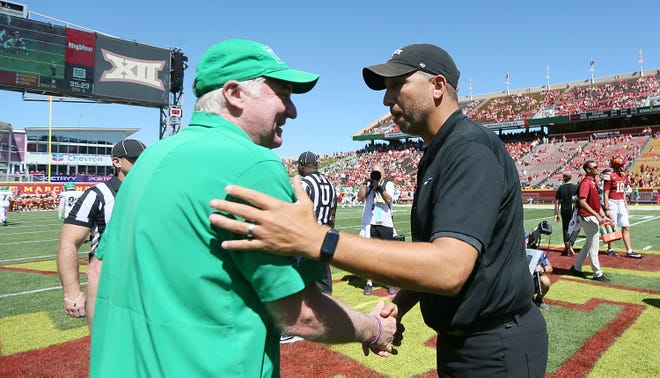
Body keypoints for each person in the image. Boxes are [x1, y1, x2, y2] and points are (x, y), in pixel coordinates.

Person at [208, 43, 548, 377]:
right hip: (466, 341)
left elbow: (449, 268)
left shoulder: (468, 149)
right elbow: (431, 257)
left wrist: (319, 240)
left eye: (398, 85)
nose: (387, 100)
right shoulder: (440, 151)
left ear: (438, 86)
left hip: (496, 345)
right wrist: (399, 305)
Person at [89, 39, 395, 377]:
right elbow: (298, 312)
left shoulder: (149, 160)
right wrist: (374, 329)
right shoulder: (254, 165)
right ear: (235, 94)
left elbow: (97, 272)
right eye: (283, 93)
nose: (292, 110)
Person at [56, 138, 146, 328]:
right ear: (117, 162)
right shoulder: (97, 194)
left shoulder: (152, 192)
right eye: (135, 159)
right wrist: (72, 292)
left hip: (147, 283)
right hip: (109, 283)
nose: (142, 163)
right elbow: (68, 243)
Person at [297, 150, 338, 294]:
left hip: (308, 237)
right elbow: (333, 213)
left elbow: (298, 212)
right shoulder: (329, 184)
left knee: (302, 282)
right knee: (324, 281)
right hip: (325, 236)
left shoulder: (305, 184)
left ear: (302, 165)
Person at [357, 162, 397, 296]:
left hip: (385, 224)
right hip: (371, 224)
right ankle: (369, 283)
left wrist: (378, 187)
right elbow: (360, 197)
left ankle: (389, 281)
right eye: (374, 172)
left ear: (383, 173)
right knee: (371, 255)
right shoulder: (368, 185)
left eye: (378, 172)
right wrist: (365, 183)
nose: (376, 175)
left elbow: (388, 199)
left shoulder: (388, 184)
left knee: (388, 254)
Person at [569, 160, 612, 283]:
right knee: (594, 246)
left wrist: (603, 215)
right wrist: (596, 215)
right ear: (588, 170)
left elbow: (596, 204)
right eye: (595, 167)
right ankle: (597, 273)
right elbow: (582, 202)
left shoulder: (592, 182)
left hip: (590, 215)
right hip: (587, 216)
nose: (597, 168)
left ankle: (576, 267)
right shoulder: (586, 183)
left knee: (589, 243)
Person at [603, 156, 642, 258]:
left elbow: (623, 192)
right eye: (620, 165)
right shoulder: (610, 176)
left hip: (620, 202)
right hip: (612, 202)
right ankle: (610, 249)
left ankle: (629, 250)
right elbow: (606, 193)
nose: (622, 167)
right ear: (615, 166)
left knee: (626, 226)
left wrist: (626, 206)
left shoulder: (623, 176)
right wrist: (606, 208)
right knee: (613, 227)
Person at [554, 173, 578, 256]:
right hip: (573, 210)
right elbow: (577, 200)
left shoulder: (560, 188)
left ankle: (566, 246)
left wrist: (556, 214)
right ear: (571, 177)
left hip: (564, 210)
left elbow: (557, 202)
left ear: (563, 178)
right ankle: (570, 243)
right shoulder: (575, 187)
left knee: (565, 228)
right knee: (576, 227)